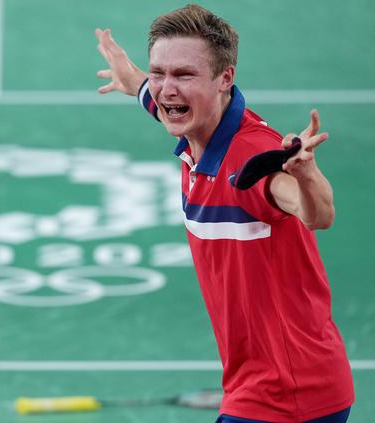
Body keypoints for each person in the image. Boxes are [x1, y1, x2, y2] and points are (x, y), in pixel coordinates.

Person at [95, 4, 354, 423]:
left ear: (225, 78)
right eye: (159, 72)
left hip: (288, 393)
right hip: (267, 382)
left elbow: (317, 214)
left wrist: (306, 175)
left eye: (184, 75)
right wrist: (134, 78)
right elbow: (155, 95)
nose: (167, 89)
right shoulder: (196, 123)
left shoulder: (250, 160)